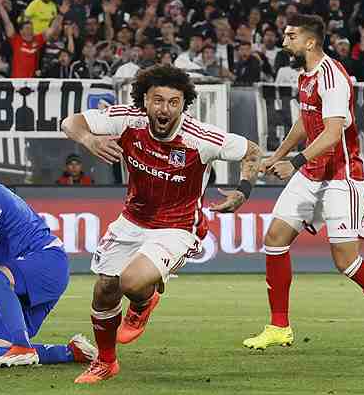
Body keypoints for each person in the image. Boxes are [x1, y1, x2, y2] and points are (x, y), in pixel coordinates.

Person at [61, 65, 261, 384]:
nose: (165, 108)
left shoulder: (200, 138)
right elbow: (71, 122)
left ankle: (143, 300)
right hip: (133, 219)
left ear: (183, 104)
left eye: (173, 101)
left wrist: (243, 190)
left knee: (132, 281)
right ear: (145, 101)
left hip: (178, 226)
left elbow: (251, 151)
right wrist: (88, 139)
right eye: (157, 100)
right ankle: (106, 362)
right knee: (104, 291)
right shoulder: (129, 118)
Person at [242, 14, 364, 355]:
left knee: (346, 262)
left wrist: (292, 163)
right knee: (275, 239)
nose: (283, 42)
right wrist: (276, 155)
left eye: (290, 36)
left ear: (310, 42)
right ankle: (279, 326)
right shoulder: (305, 75)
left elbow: (333, 133)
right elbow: (306, 122)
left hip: (341, 177)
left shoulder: (331, 77)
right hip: (311, 174)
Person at [0, 144, 98, 367]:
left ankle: (22, 347)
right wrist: (1, 289)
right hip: (31, 272)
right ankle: (72, 353)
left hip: (47, 262)